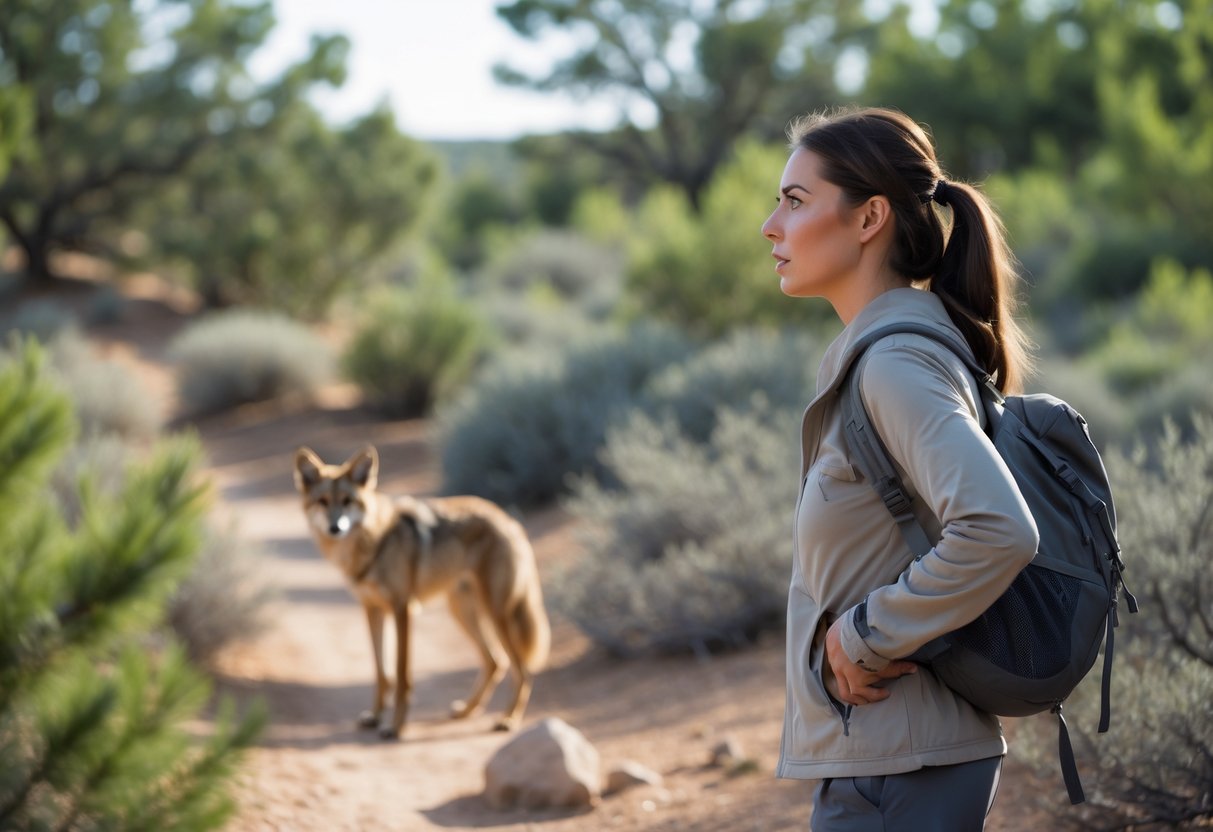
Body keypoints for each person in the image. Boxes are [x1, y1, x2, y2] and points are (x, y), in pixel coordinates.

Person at [761, 106, 1040, 831]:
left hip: (902, 767)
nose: (770, 225)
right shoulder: (884, 354)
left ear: (867, 219)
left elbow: (998, 528)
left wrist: (862, 635)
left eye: (794, 202)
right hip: (886, 760)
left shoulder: (895, 364)